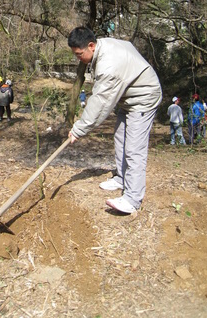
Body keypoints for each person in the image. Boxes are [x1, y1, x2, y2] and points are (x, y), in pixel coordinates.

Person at [67, 27, 162, 214]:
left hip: (143, 98)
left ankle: (133, 199)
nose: (78, 59)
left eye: (79, 55)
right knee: (120, 137)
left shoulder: (109, 65)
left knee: (134, 147)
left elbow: (100, 103)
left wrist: (79, 129)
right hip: (128, 97)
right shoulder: (103, 48)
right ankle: (122, 177)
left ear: (91, 46)